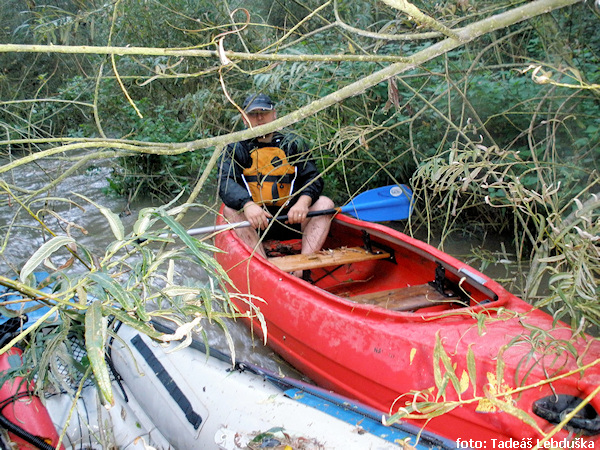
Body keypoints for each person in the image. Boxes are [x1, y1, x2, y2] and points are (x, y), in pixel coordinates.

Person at [218, 93, 334, 274]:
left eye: (264, 112)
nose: (259, 118)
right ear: (244, 118)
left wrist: (303, 202)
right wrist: (247, 205)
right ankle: (264, 269)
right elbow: (225, 183)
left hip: (292, 219)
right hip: (258, 223)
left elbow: (313, 177)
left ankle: (303, 266)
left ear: (274, 114)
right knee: (230, 210)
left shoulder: (293, 144)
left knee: (325, 203)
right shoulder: (235, 148)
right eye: (253, 114)